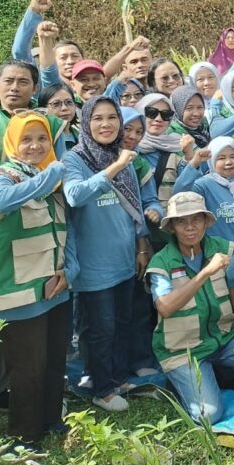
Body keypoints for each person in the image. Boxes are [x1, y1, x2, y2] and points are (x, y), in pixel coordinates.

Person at [0, 110, 69, 444]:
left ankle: (50, 420)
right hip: (17, 293)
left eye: (42, 138)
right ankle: (24, 437)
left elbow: (64, 232)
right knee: (27, 370)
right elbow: (0, 201)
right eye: (26, 139)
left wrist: (67, 272)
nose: (35, 146)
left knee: (54, 361)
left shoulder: (51, 178)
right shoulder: (0, 176)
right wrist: (53, 172)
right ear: (12, 141)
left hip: (55, 287)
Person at [64, 96, 149, 413]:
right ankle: (102, 388)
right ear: (86, 123)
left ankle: (116, 377)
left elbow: (135, 207)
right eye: (97, 118)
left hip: (124, 259)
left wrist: (142, 245)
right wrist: (114, 168)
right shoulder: (75, 159)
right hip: (92, 264)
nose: (106, 124)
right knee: (100, 329)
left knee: (122, 322)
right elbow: (74, 196)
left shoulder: (121, 155)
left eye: (112, 117)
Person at [145, 191, 234, 422]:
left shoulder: (222, 248)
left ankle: (218, 371)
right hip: (184, 351)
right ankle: (181, 380)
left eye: (196, 219)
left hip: (225, 339)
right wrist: (205, 272)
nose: (190, 227)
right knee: (209, 415)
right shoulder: (161, 262)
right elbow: (165, 308)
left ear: (206, 221)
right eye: (181, 221)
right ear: (172, 227)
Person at [178, 136, 234, 247]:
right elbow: (180, 194)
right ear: (212, 161)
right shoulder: (204, 184)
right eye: (221, 158)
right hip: (220, 255)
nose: (228, 162)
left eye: (233, 156)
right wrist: (194, 162)